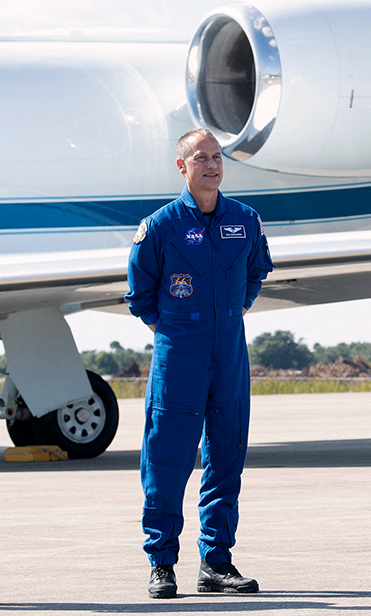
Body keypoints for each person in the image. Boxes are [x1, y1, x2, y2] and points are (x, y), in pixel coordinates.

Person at [126, 128, 273, 599]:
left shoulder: (246, 220)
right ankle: (161, 562)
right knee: (167, 462)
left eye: (217, 157)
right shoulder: (161, 226)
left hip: (229, 354)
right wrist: (174, 329)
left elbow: (255, 273)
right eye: (201, 157)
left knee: (226, 459)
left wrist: (233, 313)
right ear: (182, 166)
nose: (211, 165)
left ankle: (216, 562)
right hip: (178, 357)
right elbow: (140, 295)